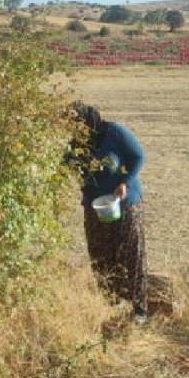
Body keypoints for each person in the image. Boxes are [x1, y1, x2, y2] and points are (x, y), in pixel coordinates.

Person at [70, 101, 149, 324]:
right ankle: (111, 303)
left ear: (88, 122)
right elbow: (65, 164)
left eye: (77, 125)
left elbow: (138, 156)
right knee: (100, 253)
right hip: (95, 205)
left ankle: (139, 309)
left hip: (125, 202)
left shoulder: (114, 132)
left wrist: (124, 182)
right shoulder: (76, 144)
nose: (74, 130)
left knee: (131, 253)